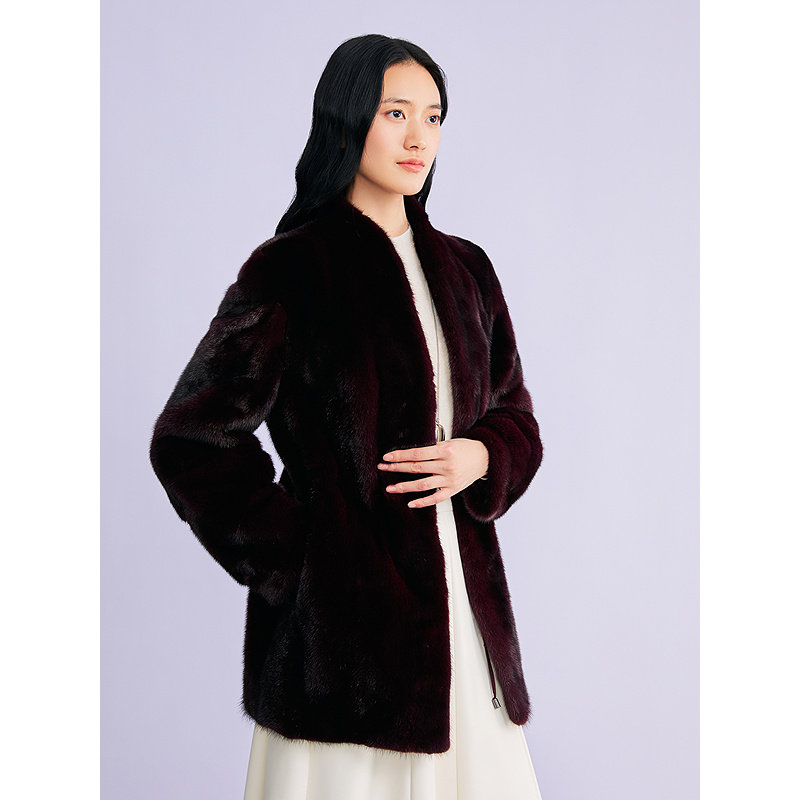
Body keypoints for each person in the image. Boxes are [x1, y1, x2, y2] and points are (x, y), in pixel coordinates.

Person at [149, 34, 545, 799]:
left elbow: (518, 418)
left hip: (467, 626)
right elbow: (191, 438)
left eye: (433, 116)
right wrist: (303, 563)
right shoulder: (291, 267)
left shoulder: (468, 270)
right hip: (340, 650)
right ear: (346, 118)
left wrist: (483, 455)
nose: (418, 136)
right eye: (396, 113)